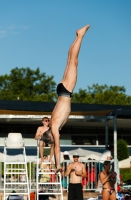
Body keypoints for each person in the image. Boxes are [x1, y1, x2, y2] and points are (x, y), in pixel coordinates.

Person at [41, 25, 90, 172]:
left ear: (52, 135)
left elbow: (57, 148)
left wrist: (57, 166)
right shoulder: (54, 124)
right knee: (71, 60)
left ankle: (80, 36)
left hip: (66, 92)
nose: (58, 138)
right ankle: (78, 36)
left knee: (73, 60)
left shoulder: (54, 127)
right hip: (62, 91)